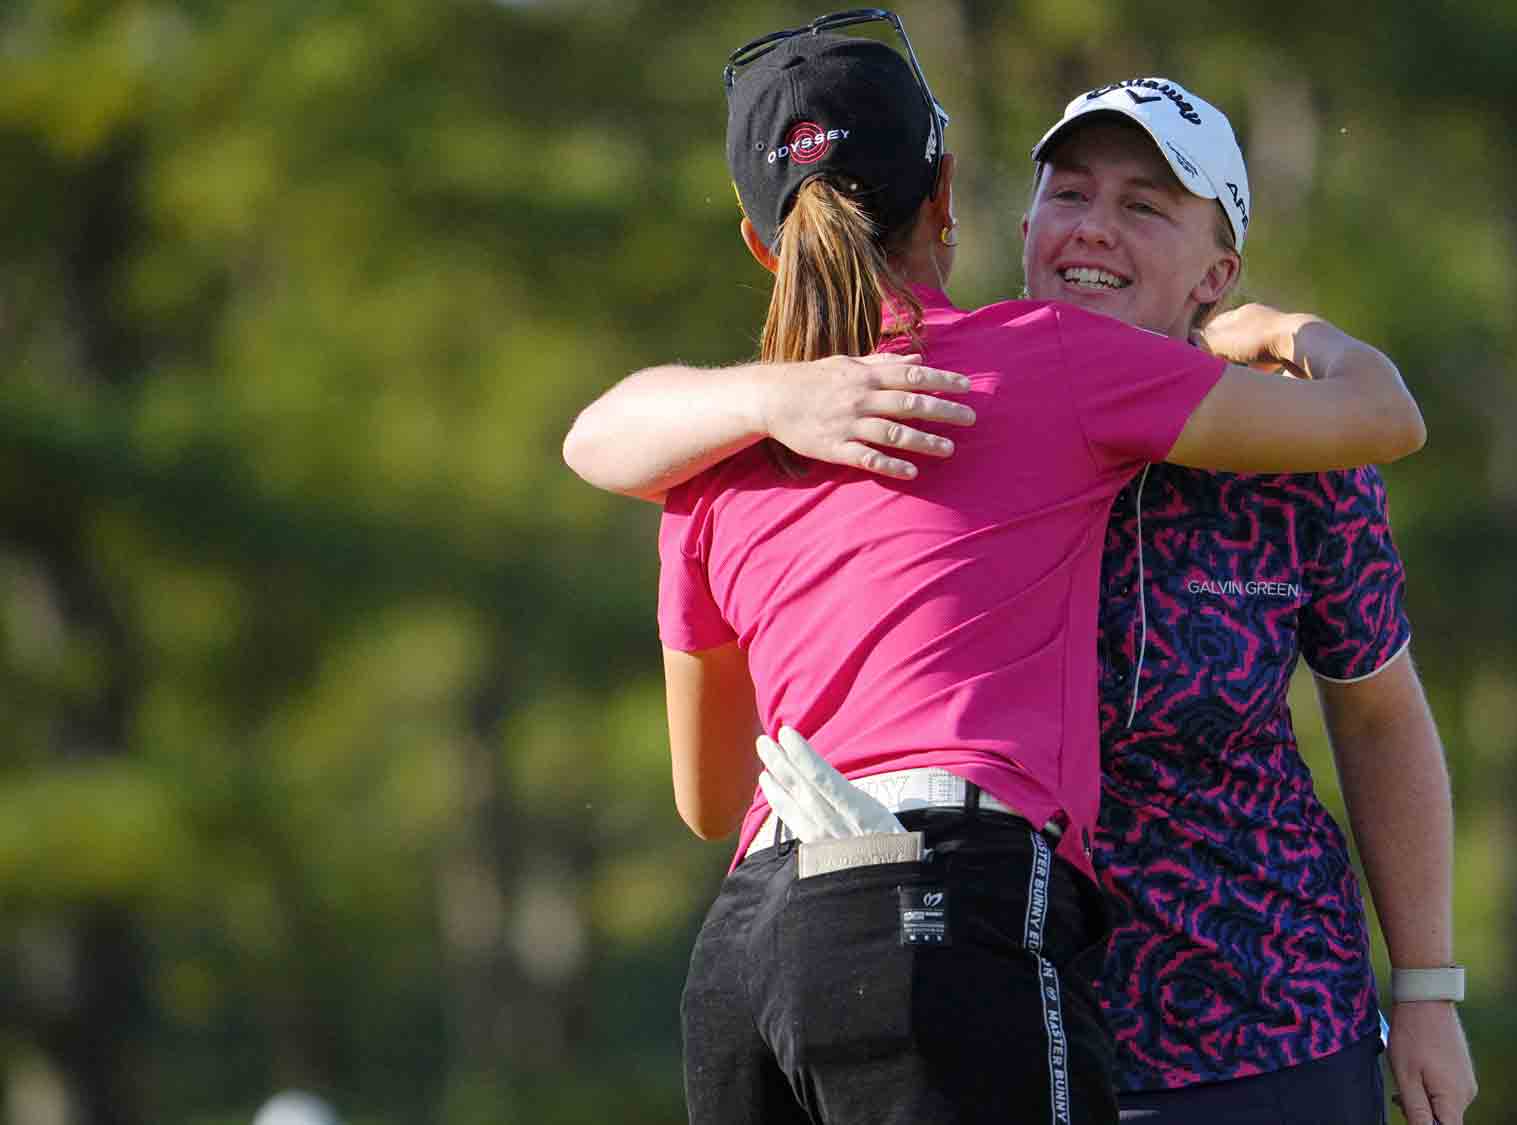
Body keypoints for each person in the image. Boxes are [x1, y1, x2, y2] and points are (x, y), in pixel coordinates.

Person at [561, 13, 1426, 1125]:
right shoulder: (1049, 360)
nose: (1096, 229)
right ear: (950, 196)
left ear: (759, 240)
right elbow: (1380, 414)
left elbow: (708, 796)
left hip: (748, 952)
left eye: (1143, 205)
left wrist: (769, 401)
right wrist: (1282, 326)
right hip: (950, 907)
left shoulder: (699, 465)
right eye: (1072, 195)